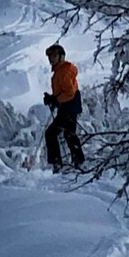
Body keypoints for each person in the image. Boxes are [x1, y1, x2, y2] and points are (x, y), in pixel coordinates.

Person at [43, 43, 85, 172]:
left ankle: (59, 164)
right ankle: (78, 162)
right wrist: (53, 98)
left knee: (52, 133)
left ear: (60, 57)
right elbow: (64, 92)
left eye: (54, 55)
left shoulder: (63, 71)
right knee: (68, 134)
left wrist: (55, 99)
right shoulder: (60, 71)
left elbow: (69, 93)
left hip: (69, 106)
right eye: (50, 56)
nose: (51, 59)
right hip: (69, 106)